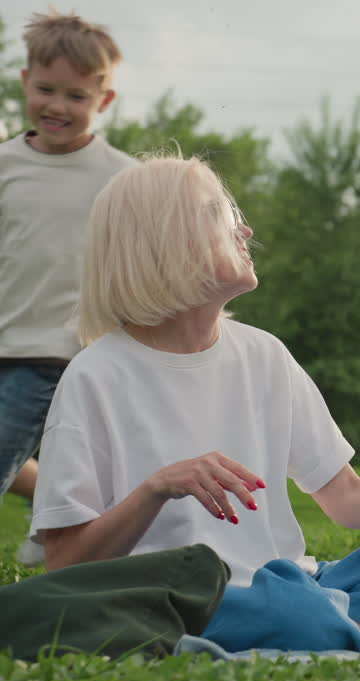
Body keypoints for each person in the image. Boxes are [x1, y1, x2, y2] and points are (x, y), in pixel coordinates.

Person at [27, 156, 360, 654]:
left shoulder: (264, 355)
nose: (244, 229)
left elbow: (346, 498)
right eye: (220, 216)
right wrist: (158, 488)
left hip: (295, 585)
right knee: (286, 608)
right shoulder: (95, 376)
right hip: (187, 598)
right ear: (165, 240)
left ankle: (335, 631)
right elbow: (66, 567)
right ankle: (340, 630)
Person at [0, 11, 137, 568]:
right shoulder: (4, 165)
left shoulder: (120, 176)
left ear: (103, 101)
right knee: (43, 461)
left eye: (76, 95)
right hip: (5, 337)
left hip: (58, 349)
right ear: (24, 80)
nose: (57, 106)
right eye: (46, 89)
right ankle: (68, 520)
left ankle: (69, 527)